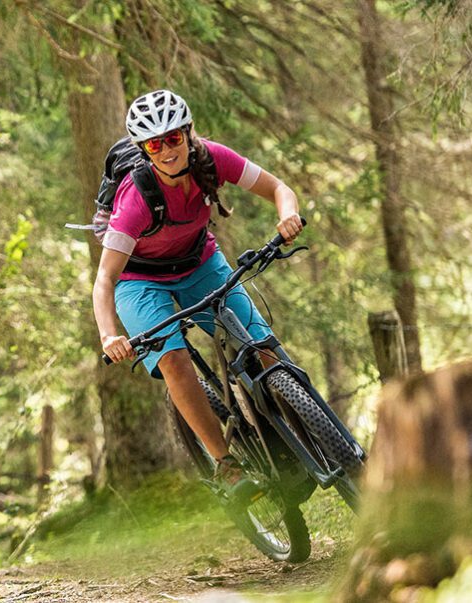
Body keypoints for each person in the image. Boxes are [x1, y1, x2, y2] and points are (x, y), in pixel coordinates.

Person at [93, 90, 303, 499]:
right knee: (173, 359)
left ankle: (296, 435)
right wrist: (108, 336)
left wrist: (287, 214)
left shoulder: (213, 159)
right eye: (155, 143)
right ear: (143, 149)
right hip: (140, 281)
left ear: (189, 133)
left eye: (174, 138)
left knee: (262, 347)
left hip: (199, 262)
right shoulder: (135, 199)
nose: (167, 150)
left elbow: (279, 188)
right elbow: (105, 279)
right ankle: (227, 465)